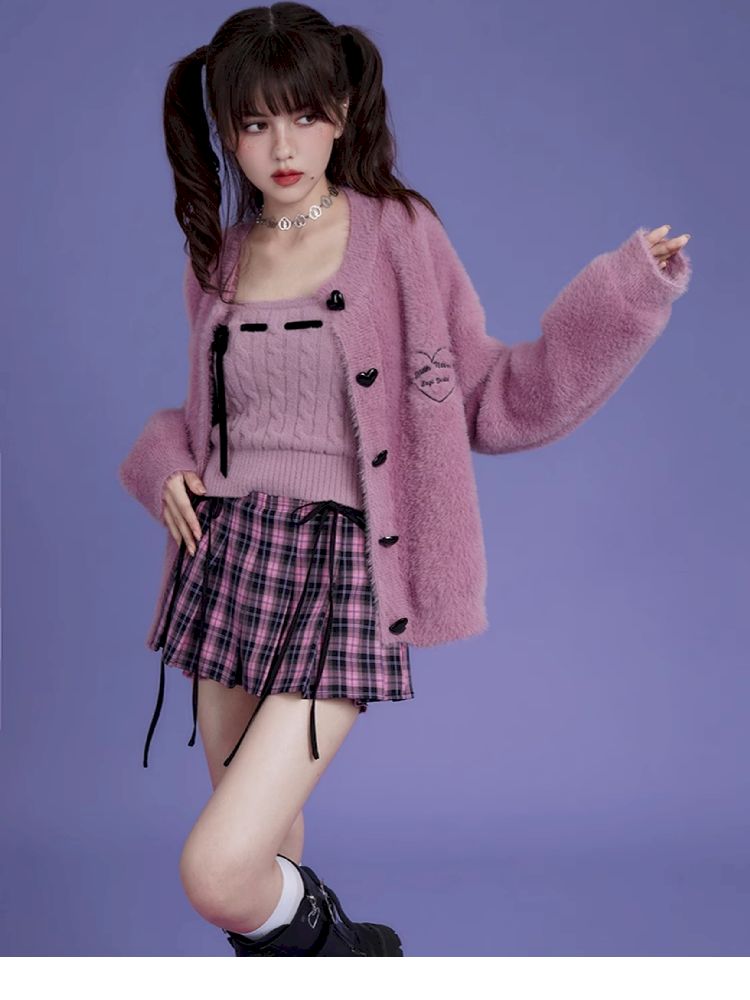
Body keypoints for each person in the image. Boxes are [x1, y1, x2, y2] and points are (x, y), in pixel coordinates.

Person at [118, 1, 692, 959]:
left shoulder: (399, 237)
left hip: (340, 571)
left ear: (342, 112)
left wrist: (625, 296)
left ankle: (354, 955)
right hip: (227, 562)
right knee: (269, 848)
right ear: (225, 131)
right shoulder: (218, 260)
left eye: (304, 115)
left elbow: (493, 397)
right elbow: (211, 422)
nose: (282, 146)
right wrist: (161, 462)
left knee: (220, 872)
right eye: (254, 123)